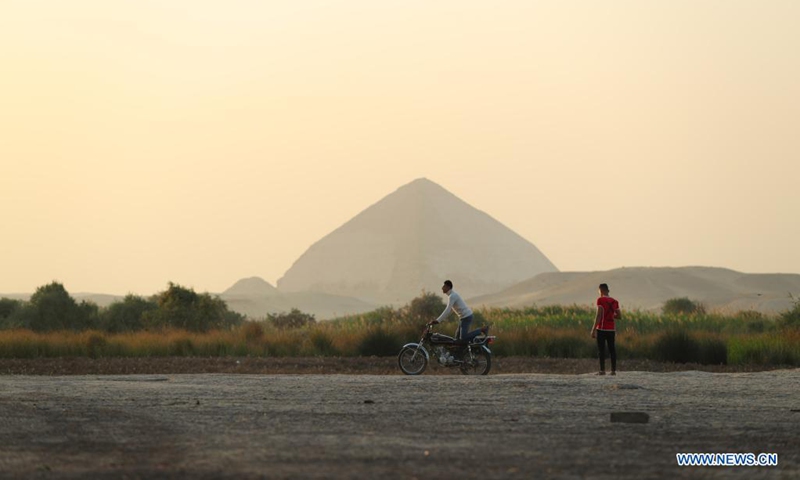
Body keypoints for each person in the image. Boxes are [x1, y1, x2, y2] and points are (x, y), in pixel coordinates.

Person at [591, 283, 620, 375]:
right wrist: (611, 316)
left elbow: (598, 315)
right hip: (611, 329)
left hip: (602, 329)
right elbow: (619, 316)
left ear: (601, 290)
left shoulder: (600, 300)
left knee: (601, 350)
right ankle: (613, 371)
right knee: (612, 350)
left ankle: (602, 370)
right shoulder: (615, 301)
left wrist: (593, 329)